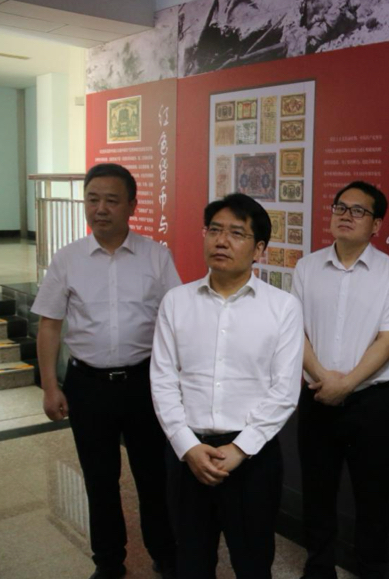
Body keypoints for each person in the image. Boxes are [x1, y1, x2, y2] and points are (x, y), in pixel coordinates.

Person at [32, 163, 179, 579]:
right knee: (99, 480)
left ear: (132, 205)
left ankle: (166, 555)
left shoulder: (156, 256)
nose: (100, 209)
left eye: (111, 200)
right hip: (88, 385)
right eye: (92, 199)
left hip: (143, 383)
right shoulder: (67, 259)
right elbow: (50, 325)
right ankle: (109, 562)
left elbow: (176, 321)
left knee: (153, 477)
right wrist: (50, 387)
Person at [150, 193, 304, 578]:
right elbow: (163, 379)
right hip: (188, 454)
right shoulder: (176, 302)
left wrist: (240, 448)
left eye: (236, 233)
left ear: (259, 249)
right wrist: (186, 446)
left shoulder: (282, 307)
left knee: (253, 563)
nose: (221, 241)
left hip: (252, 458)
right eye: (214, 230)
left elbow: (284, 392)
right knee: (191, 562)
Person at [293, 181, 389, 579]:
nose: (346, 215)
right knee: (317, 492)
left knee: (373, 496)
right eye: (341, 207)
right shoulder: (307, 268)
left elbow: (388, 340)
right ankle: (318, 569)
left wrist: (346, 384)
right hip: (316, 396)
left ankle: (371, 570)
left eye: (358, 211)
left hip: (370, 403)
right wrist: (323, 378)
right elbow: (296, 333)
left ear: (376, 225)